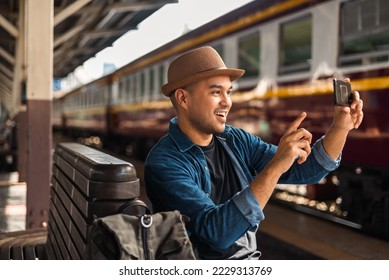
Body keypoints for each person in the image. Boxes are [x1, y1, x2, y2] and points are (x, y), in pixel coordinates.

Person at [144, 46, 364, 259]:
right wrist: (276, 166)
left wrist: (340, 127)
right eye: (215, 92)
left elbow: (307, 171)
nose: (227, 102)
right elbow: (218, 233)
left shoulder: (235, 140)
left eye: (228, 92)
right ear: (183, 99)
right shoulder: (164, 162)